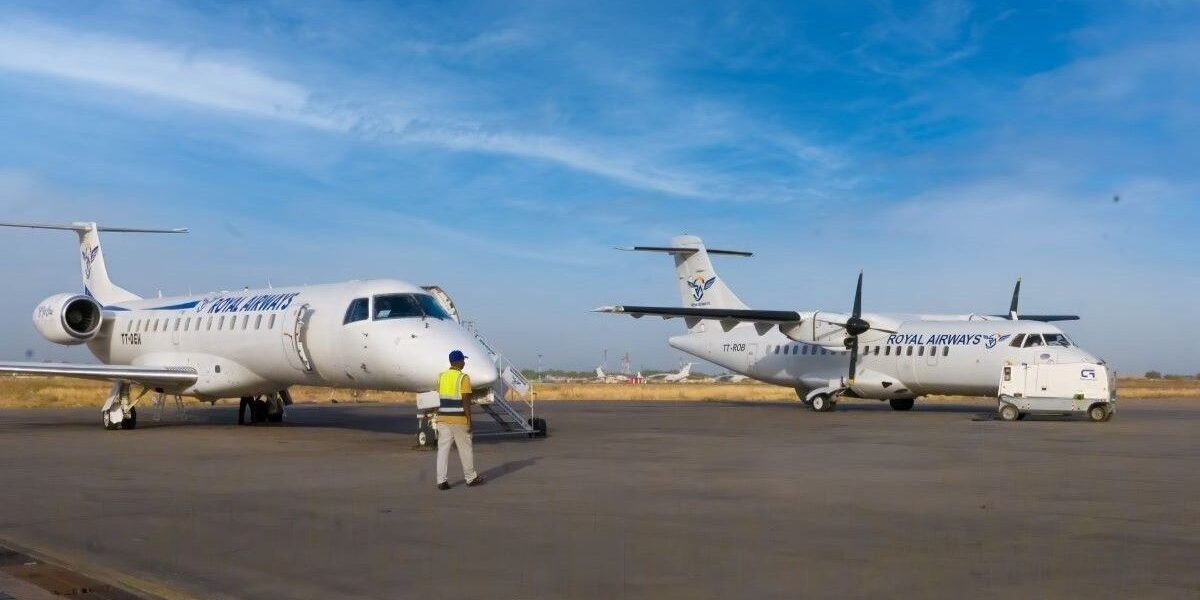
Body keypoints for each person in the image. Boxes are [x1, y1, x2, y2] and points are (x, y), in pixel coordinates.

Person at [435, 350, 485, 489]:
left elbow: (441, 394)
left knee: (443, 451)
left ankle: (441, 481)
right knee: (465, 449)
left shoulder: (441, 377)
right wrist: (469, 420)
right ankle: (470, 478)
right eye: (463, 360)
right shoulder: (463, 378)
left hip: (443, 418)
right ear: (457, 362)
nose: (464, 362)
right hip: (458, 419)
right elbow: (466, 401)